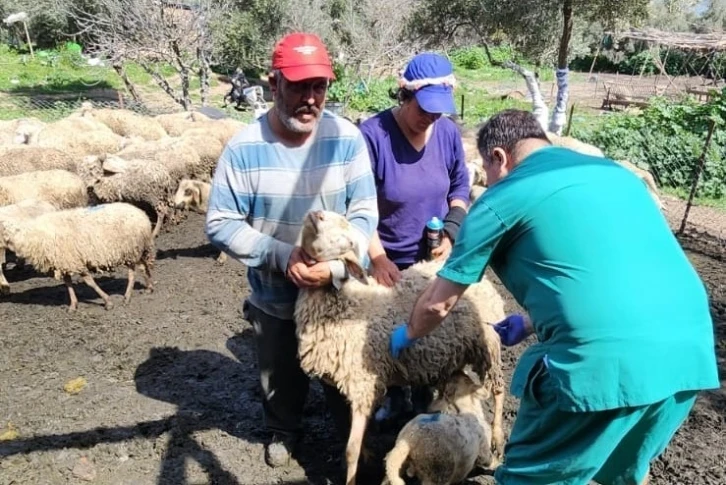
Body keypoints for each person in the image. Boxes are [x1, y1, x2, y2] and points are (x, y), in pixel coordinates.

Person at [388, 109, 720, 485]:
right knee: (620, 475)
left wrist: (406, 336)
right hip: (687, 356)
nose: (490, 178)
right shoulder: (616, 175)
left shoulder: (502, 199)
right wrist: (530, 321)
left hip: (598, 362)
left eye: (487, 167)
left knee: (531, 478)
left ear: (499, 157)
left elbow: (438, 303)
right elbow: (607, 273)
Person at [205, 32, 379, 469]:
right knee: (279, 373)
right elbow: (221, 222)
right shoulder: (244, 149)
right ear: (273, 83)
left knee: (346, 370)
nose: (310, 98)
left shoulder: (347, 139)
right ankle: (284, 429)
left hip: (341, 293)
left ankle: (351, 433)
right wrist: (282, 256)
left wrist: (339, 265)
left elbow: (363, 211)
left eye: (318, 86)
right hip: (276, 294)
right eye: (298, 85)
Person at [357, 52, 470, 423]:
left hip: (431, 257)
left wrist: (451, 232)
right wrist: (376, 258)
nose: (430, 118)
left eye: (439, 111)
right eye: (424, 109)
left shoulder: (448, 133)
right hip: (386, 257)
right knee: (386, 330)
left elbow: (460, 186)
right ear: (404, 95)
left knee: (429, 330)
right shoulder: (373, 135)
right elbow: (357, 204)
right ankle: (392, 395)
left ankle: (423, 392)